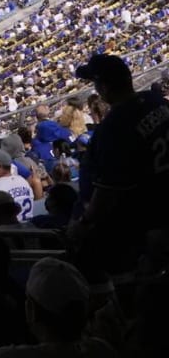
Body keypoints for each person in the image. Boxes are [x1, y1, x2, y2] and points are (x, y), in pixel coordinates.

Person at [72, 51, 169, 271]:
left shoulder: (115, 125)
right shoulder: (156, 101)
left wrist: (84, 223)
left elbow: (109, 190)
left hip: (144, 220)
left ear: (104, 88)